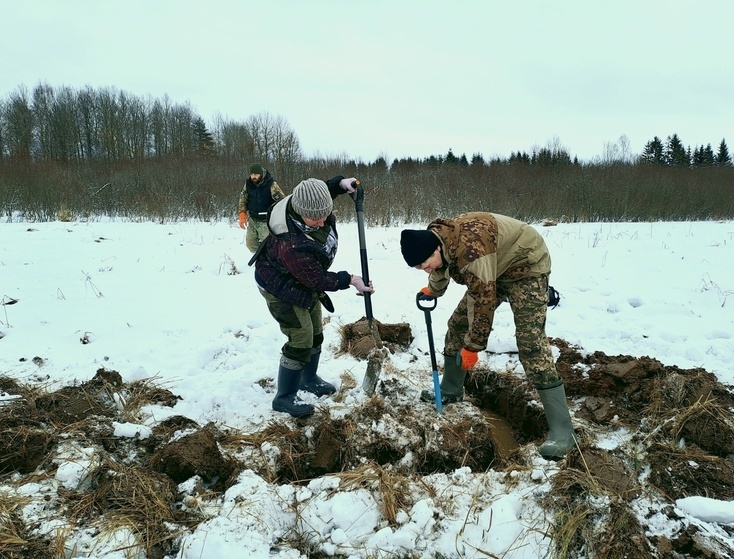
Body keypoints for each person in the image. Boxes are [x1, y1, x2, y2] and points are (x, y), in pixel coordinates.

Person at [399, 213, 576, 459]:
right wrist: (434, 289)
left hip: (526, 265)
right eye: (419, 267)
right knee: (457, 326)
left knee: (530, 342)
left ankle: (563, 432)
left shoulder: (471, 252)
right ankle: (451, 389)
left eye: (425, 263)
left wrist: (473, 347)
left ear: (436, 247)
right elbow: (440, 266)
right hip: (494, 264)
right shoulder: (437, 240)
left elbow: (483, 301)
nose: (424, 269)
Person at [252, 176, 374, 418]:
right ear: (299, 212)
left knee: (316, 330)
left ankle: (308, 378)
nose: (320, 222)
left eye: (324, 215)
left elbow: (320, 193)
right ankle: (284, 396)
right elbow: (317, 279)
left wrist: (340, 184)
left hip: (301, 278)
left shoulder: (307, 204)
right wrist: (350, 279)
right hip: (280, 286)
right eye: (314, 218)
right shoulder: (291, 243)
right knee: (301, 336)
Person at [238, 163, 285, 252]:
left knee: (267, 245)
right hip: (253, 219)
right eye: (252, 174)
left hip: (266, 221)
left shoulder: (271, 184)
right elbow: (243, 199)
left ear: (261, 174)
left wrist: (277, 216)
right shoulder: (248, 184)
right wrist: (242, 215)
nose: (253, 177)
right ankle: (259, 258)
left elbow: (281, 201)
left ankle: (268, 261)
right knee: (250, 244)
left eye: (255, 174)